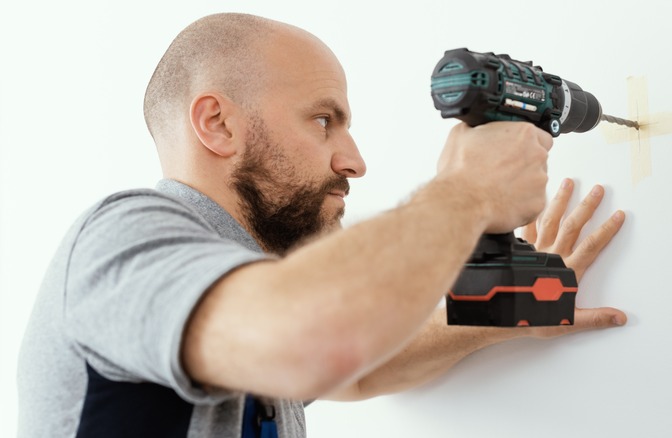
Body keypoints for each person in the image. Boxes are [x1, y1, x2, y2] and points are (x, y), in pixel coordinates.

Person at [17, 12, 627, 438]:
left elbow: (360, 368)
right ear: (217, 125)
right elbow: (316, 340)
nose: (354, 160)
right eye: (323, 120)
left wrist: (513, 303)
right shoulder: (123, 238)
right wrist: (466, 193)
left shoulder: (245, 306)